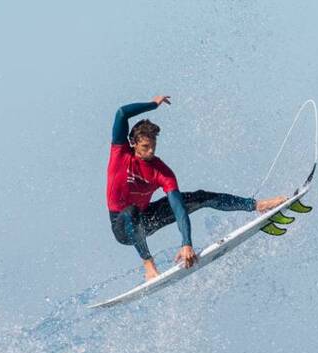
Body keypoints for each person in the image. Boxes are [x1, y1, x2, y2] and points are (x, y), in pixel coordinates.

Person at [106, 95, 287, 281]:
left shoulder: (162, 171)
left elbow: (178, 208)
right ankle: (149, 264)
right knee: (131, 212)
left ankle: (256, 205)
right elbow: (122, 113)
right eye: (145, 146)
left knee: (200, 197)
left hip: (148, 219)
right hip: (122, 226)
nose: (151, 151)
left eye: (154, 146)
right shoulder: (120, 153)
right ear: (133, 143)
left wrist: (186, 243)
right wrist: (153, 104)